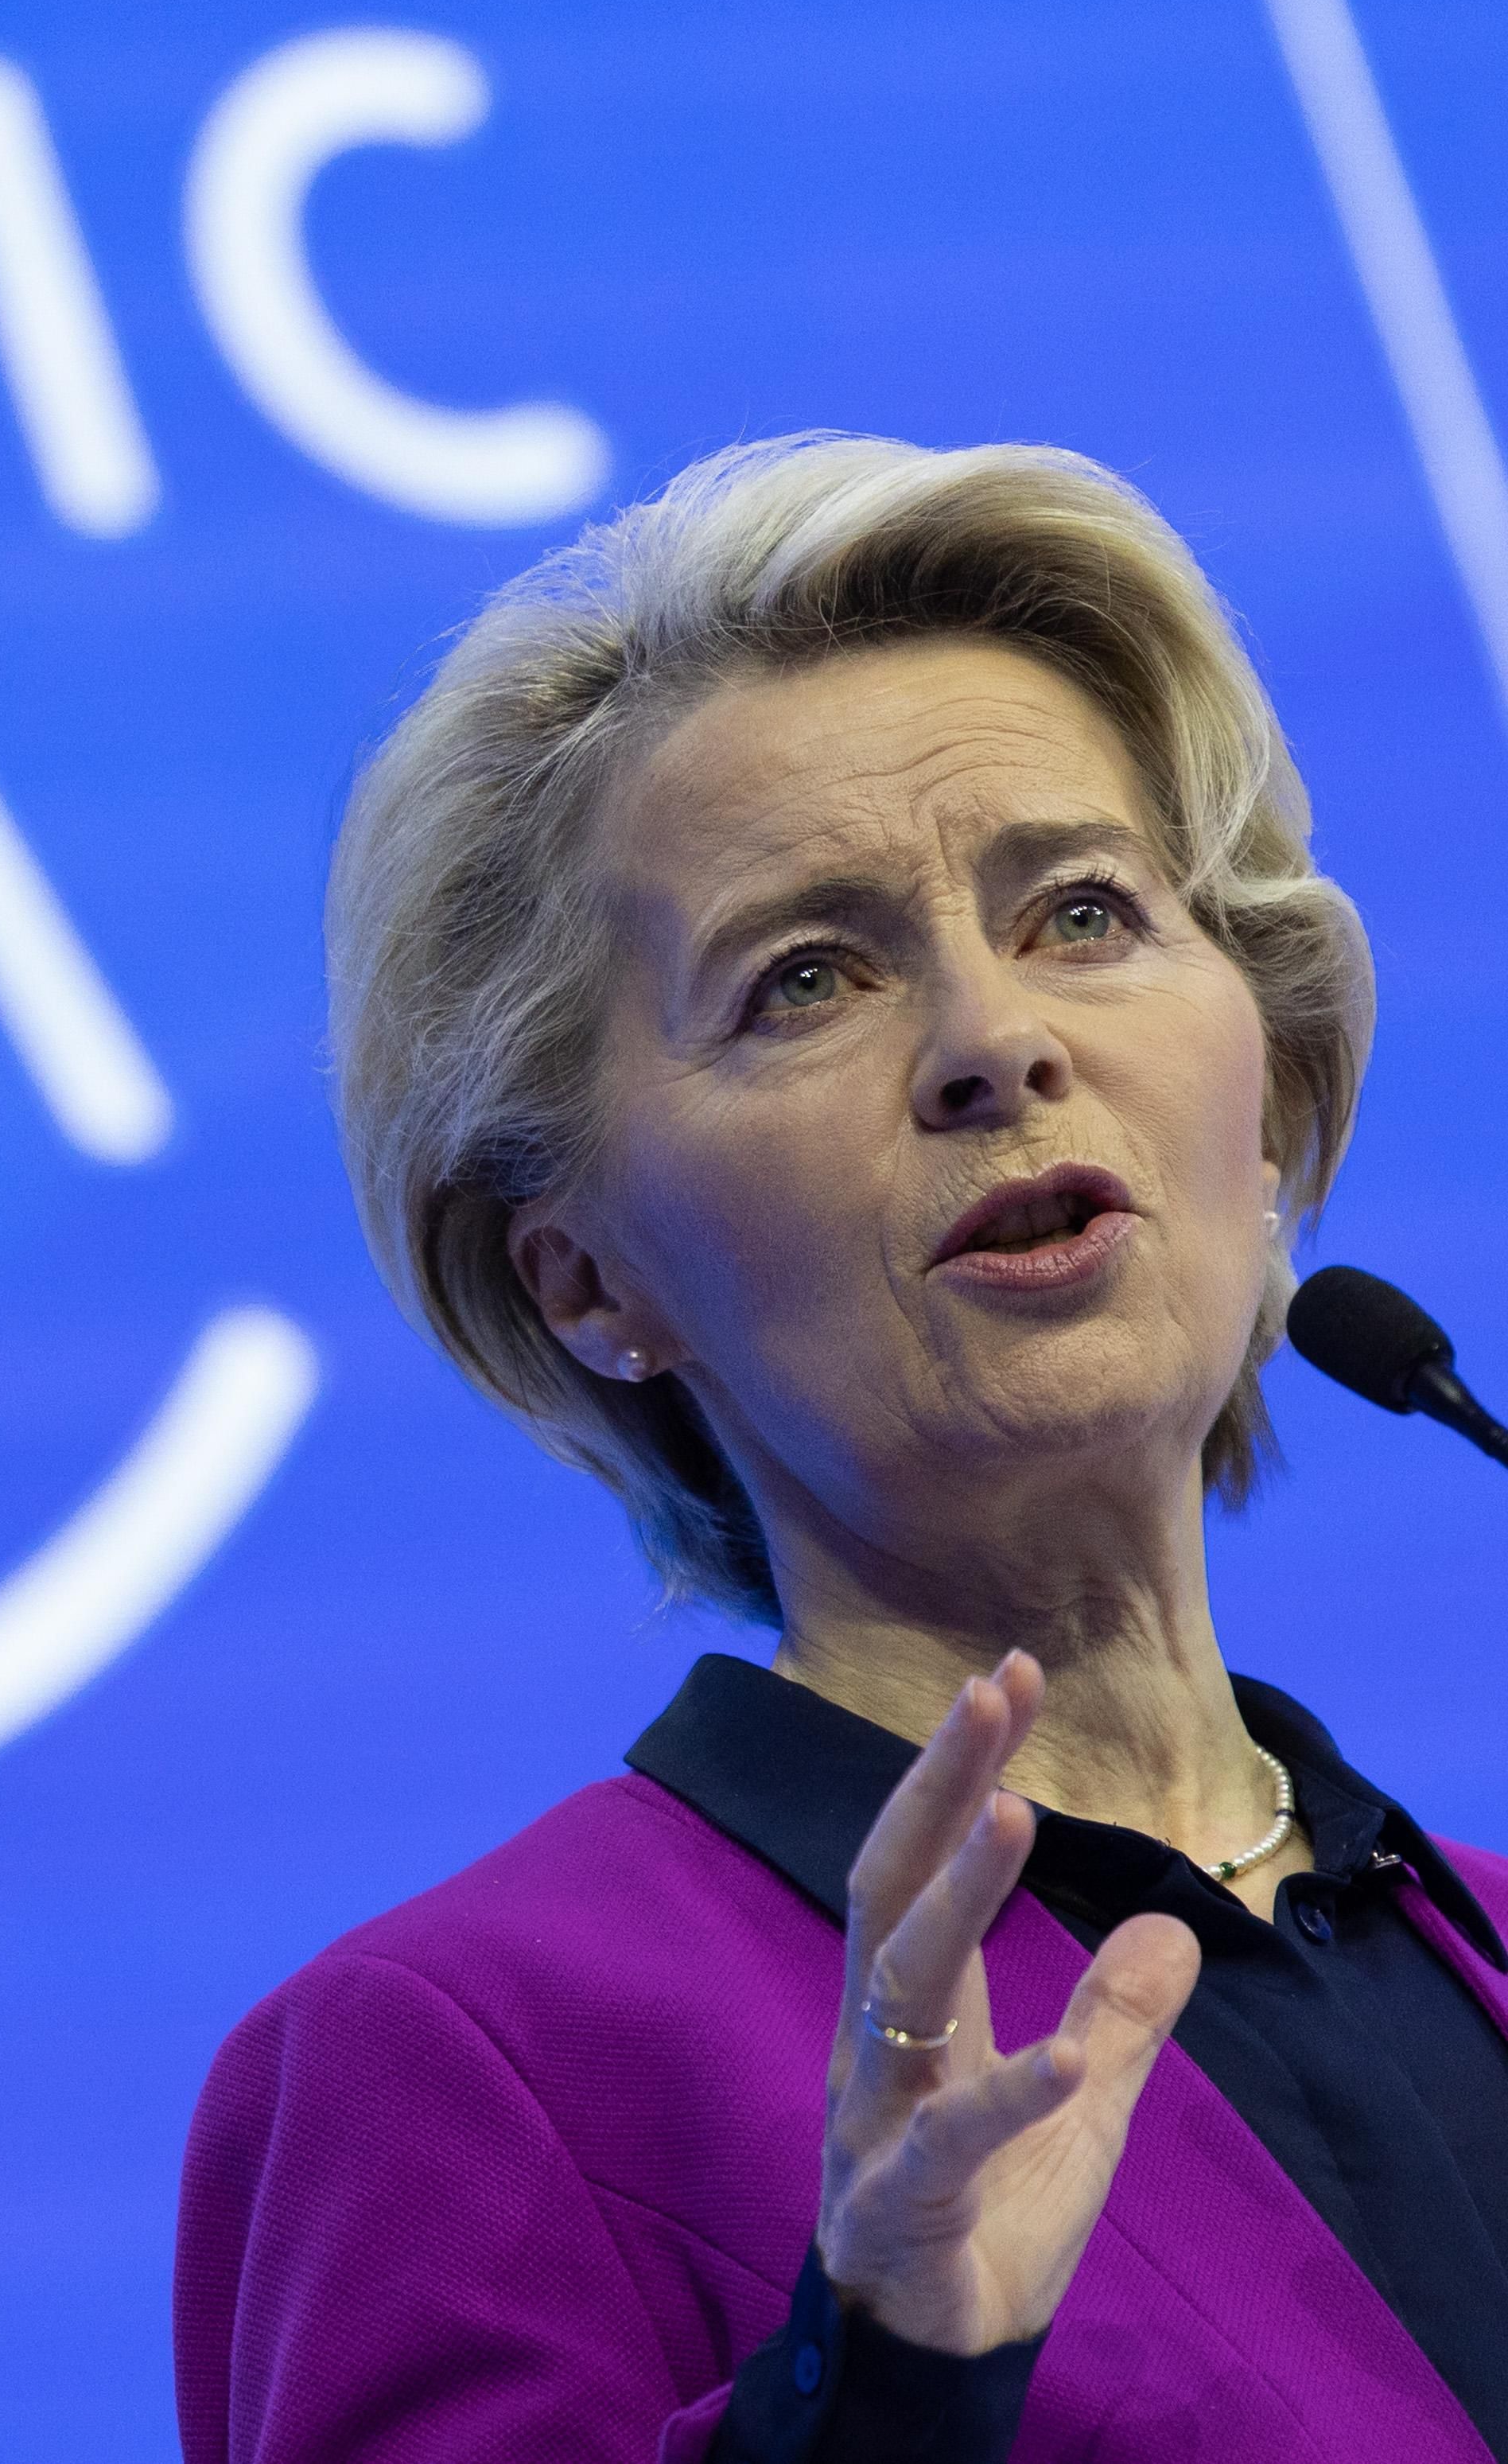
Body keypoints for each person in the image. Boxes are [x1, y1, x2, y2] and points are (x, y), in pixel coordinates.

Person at [177, 435, 1508, 2461]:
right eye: (806, 977)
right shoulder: (477, 2065)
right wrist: (872, 2393)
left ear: (1266, 1104)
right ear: (585, 1280)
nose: (994, 1039)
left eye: (1082, 907)